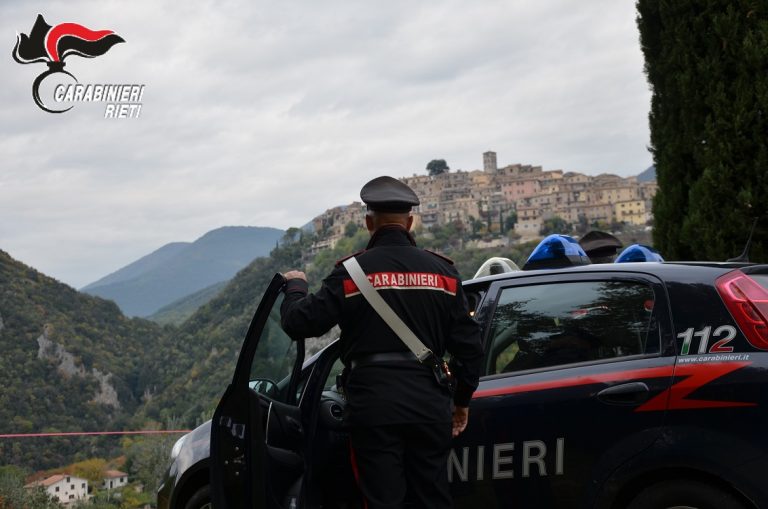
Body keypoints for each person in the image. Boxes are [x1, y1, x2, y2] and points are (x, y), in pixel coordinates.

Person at [280, 176, 483, 509]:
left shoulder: (351, 273)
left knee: (381, 501)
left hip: (374, 410)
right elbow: (470, 348)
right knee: (432, 499)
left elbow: (300, 323)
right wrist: (461, 402)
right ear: (410, 221)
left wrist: (296, 289)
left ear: (368, 222)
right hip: (429, 408)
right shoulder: (444, 274)